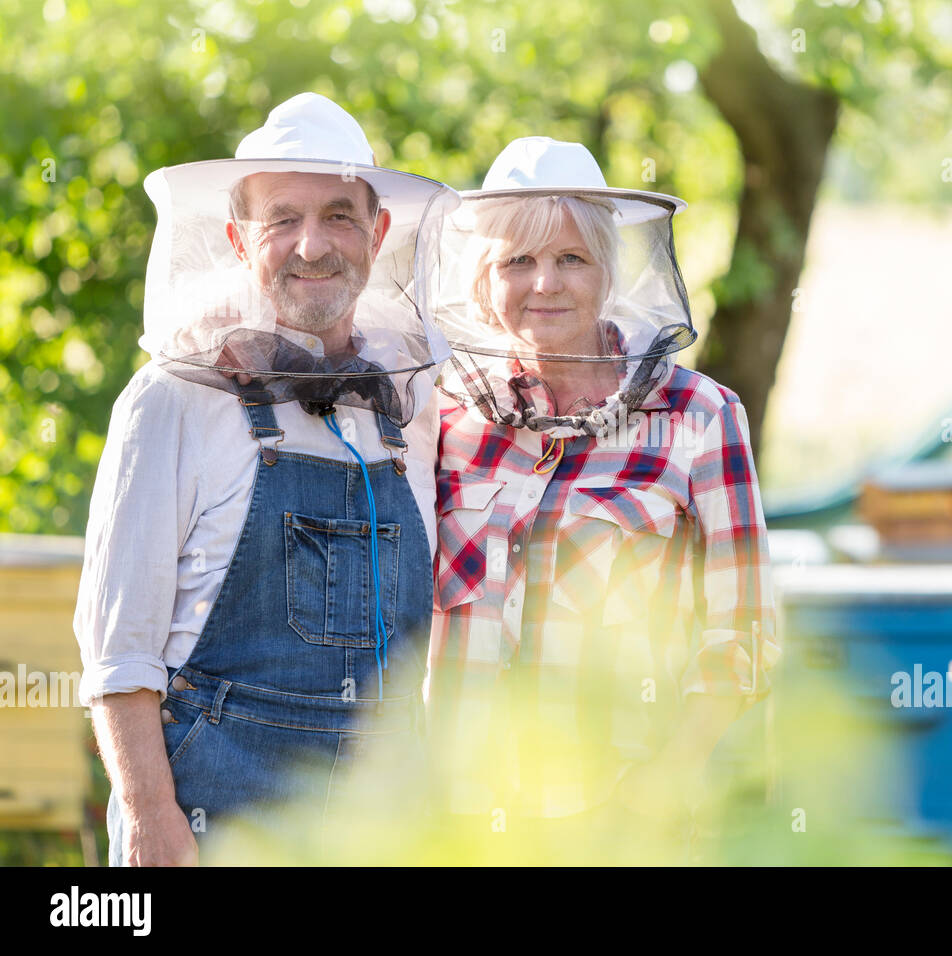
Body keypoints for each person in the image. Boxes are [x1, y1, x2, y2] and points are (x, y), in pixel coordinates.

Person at [74, 93, 459, 865]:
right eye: (282, 218)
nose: (311, 245)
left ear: (378, 234)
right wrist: (150, 817)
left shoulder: (412, 409)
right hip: (211, 819)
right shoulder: (172, 399)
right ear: (239, 240)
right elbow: (118, 653)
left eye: (340, 215)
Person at [417, 137, 780, 857]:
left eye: (570, 258)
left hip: (619, 816)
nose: (544, 282)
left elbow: (743, 640)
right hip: (458, 816)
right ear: (484, 278)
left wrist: (662, 787)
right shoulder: (439, 414)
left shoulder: (700, 417)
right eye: (517, 260)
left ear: (607, 271)